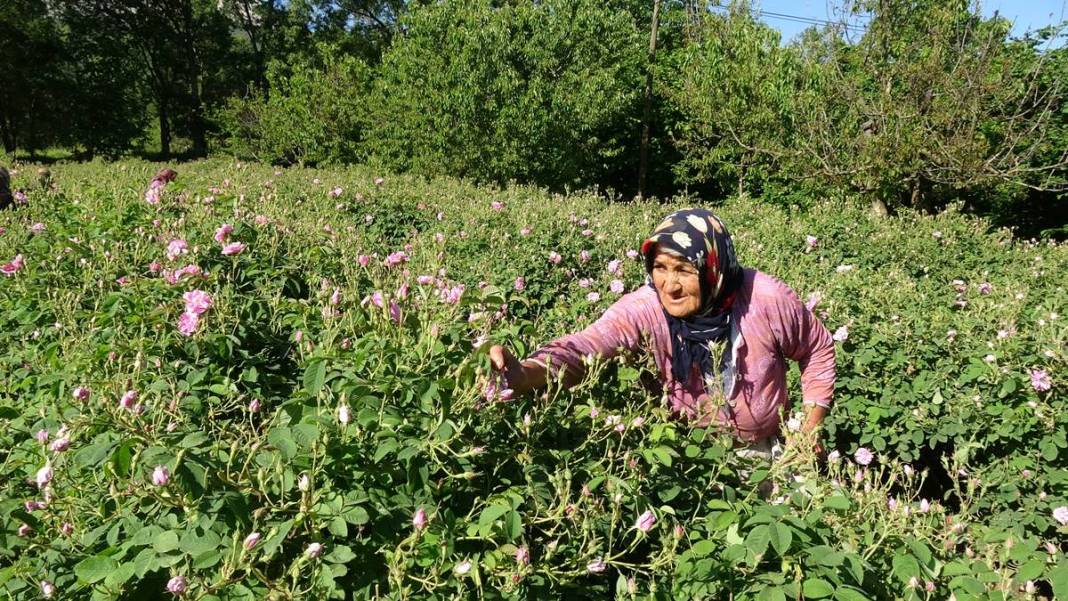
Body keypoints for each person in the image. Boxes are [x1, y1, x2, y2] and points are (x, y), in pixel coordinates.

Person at [489, 208, 836, 459]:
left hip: (768, 448)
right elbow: (585, 347)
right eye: (660, 268)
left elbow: (817, 348)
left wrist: (809, 429)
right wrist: (524, 374)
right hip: (686, 453)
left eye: (684, 270)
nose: (669, 286)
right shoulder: (646, 309)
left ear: (712, 268)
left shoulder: (764, 300)